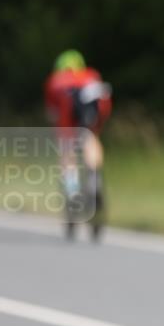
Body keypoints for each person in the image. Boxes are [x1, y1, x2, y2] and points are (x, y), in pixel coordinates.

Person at [43, 49, 112, 235]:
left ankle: (72, 190)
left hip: (68, 108)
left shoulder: (56, 81)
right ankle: (94, 176)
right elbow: (103, 106)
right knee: (90, 137)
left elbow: (52, 113)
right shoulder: (91, 75)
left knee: (67, 150)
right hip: (94, 100)